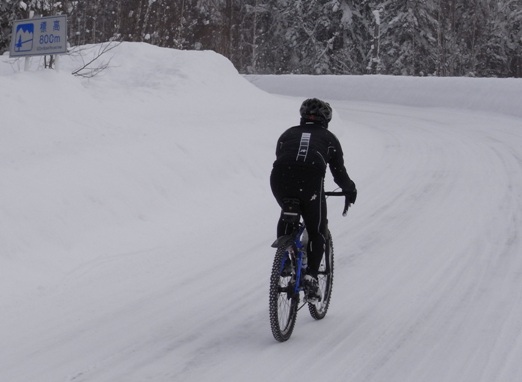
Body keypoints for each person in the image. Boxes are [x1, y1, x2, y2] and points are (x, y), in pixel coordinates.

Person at [270, 98, 357, 301]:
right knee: (316, 229)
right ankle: (310, 277)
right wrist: (349, 189)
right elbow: (338, 172)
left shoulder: (288, 133)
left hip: (279, 178)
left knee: (288, 210)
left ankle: (285, 259)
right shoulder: (330, 138)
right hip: (309, 180)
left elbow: (282, 156)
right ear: (326, 119)